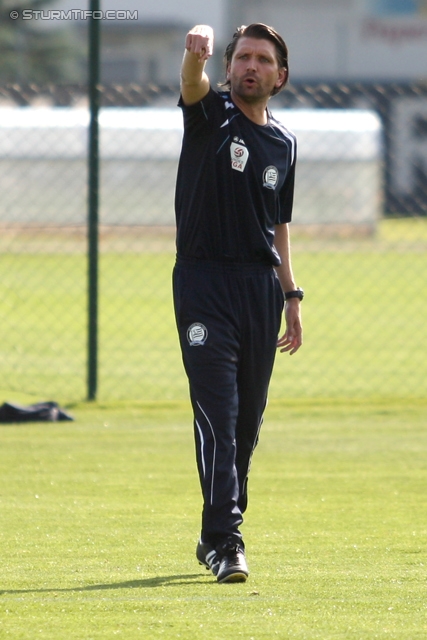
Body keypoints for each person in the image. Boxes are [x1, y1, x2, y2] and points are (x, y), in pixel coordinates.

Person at [173, 23, 303, 584]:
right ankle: (228, 540)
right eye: (242, 57)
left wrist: (291, 294)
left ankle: (212, 533)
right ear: (227, 69)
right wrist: (193, 53)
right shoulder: (209, 115)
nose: (251, 66)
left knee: (246, 425)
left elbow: (279, 226)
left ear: (280, 75)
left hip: (260, 290)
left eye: (262, 59)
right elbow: (192, 85)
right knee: (218, 418)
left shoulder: (284, 144)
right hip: (204, 283)